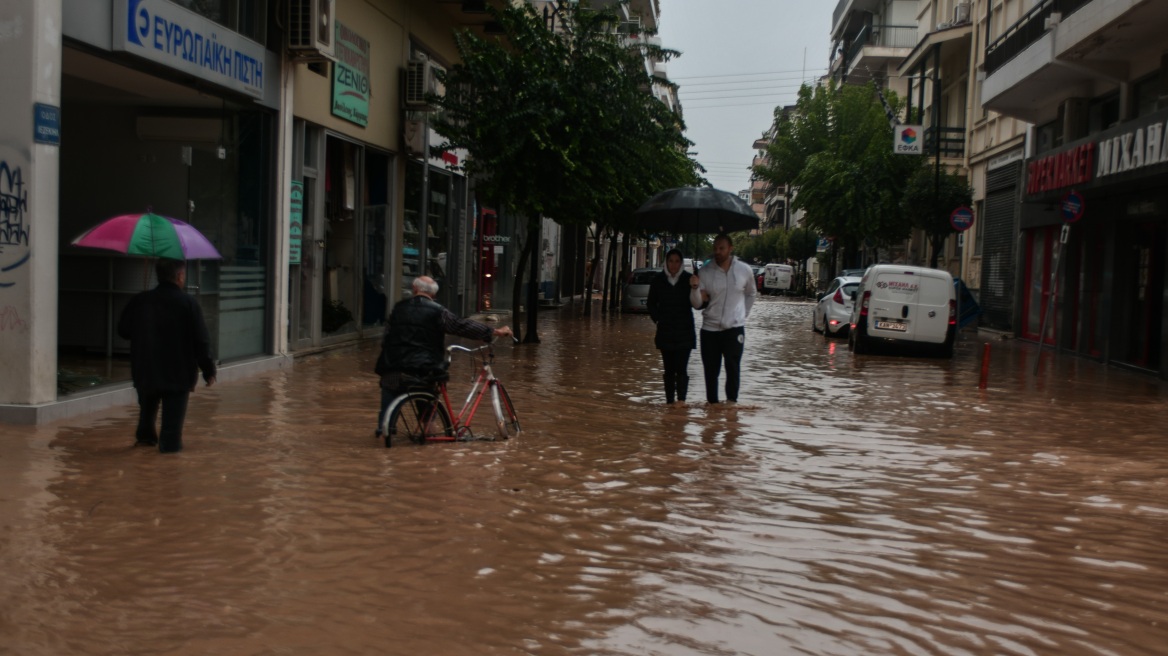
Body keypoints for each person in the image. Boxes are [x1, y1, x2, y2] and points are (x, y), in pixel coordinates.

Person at [374, 275, 513, 438]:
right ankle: (430, 439)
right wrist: (493, 331)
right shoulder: (438, 311)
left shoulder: (398, 309)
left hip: (392, 367)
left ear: (414, 288)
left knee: (389, 394)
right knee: (428, 413)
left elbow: (386, 338)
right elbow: (461, 326)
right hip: (423, 370)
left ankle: (384, 432)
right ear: (434, 295)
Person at [117, 258, 217, 453]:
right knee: (171, 435)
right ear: (180, 276)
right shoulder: (188, 303)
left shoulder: (140, 301)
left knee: (146, 420)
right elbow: (201, 341)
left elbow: (123, 331)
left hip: (145, 371)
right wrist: (208, 370)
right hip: (177, 375)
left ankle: (144, 454)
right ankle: (168, 474)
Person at [690, 233, 756, 405]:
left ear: (730, 249)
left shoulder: (744, 270)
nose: (717, 252)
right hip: (710, 330)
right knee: (711, 372)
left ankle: (731, 406)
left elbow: (751, 293)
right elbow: (697, 304)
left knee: (733, 367)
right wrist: (695, 288)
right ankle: (712, 407)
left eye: (721, 248)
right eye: (715, 248)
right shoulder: (705, 271)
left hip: (734, 329)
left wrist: (743, 315)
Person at [647, 248, 696, 405]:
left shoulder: (689, 280)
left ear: (681, 263)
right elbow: (651, 303)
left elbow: (698, 305)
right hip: (665, 332)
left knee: (681, 369)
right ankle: (669, 402)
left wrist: (695, 287)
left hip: (685, 332)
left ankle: (681, 402)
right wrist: (658, 320)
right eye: (670, 261)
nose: (673, 265)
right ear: (666, 262)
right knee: (669, 369)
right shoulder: (658, 280)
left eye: (677, 261)